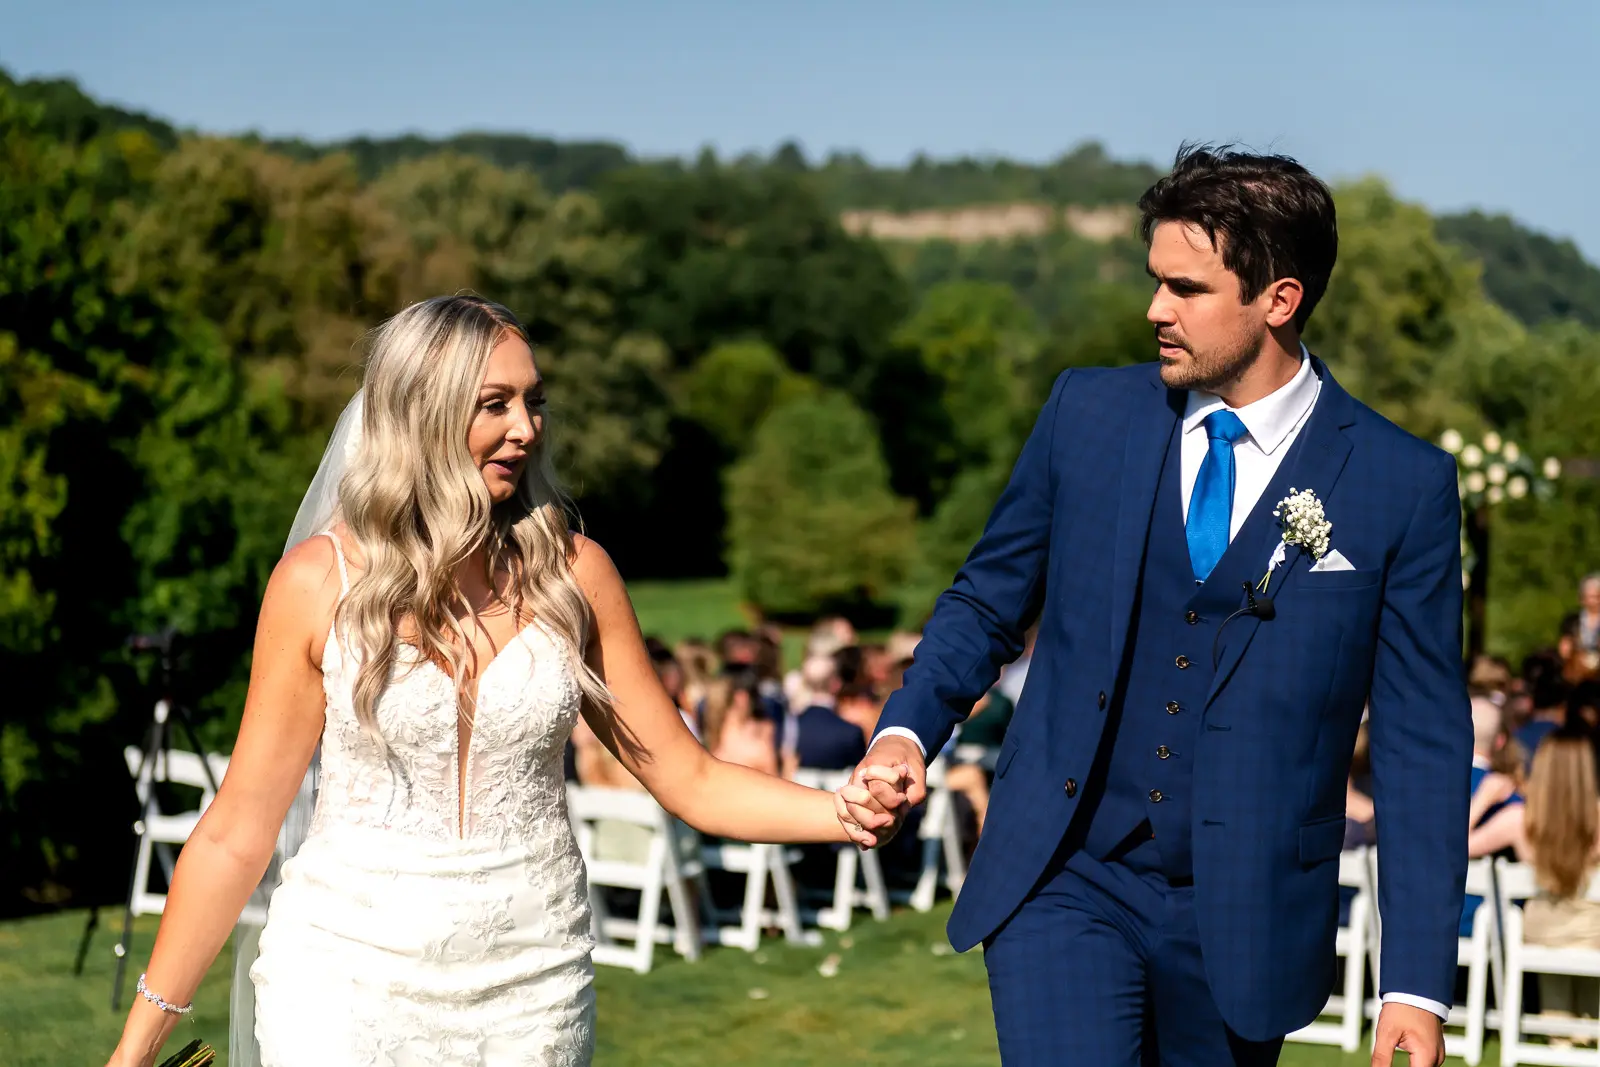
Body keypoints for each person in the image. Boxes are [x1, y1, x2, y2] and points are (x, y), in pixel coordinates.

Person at [104, 295, 902, 1067]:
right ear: (422, 412)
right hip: (342, 979)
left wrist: (844, 811)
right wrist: (136, 1048)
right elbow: (239, 826)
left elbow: (690, 778)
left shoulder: (576, 577)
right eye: (495, 404)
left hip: (531, 990)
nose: (527, 428)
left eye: (534, 401)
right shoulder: (317, 584)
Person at [843, 145, 1470, 1066]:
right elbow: (986, 599)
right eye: (1154, 282)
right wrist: (906, 729)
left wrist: (1414, 984)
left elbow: (1420, 741)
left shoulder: (1399, 483)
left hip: (1246, 919)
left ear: (1279, 299)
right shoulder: (1086, 414)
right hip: (1063, 875)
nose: (1154, 311)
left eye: (1185, 289)